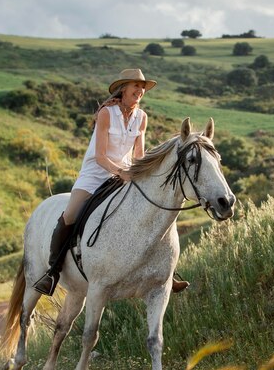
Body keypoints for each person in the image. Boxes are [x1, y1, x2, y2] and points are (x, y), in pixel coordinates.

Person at [33, 68, 189, 296]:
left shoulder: (142, 118)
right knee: (70, 215)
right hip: (95, 174)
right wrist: (121, 173)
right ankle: (52, 272)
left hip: (125, 174)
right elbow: (100, 156)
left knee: (150, 211)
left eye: (143, 87)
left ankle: (165, 271)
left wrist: (140, 172)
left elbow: (138, 154)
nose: (140, 90)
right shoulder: (107, 113)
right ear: (123, 88)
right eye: (136, 86)